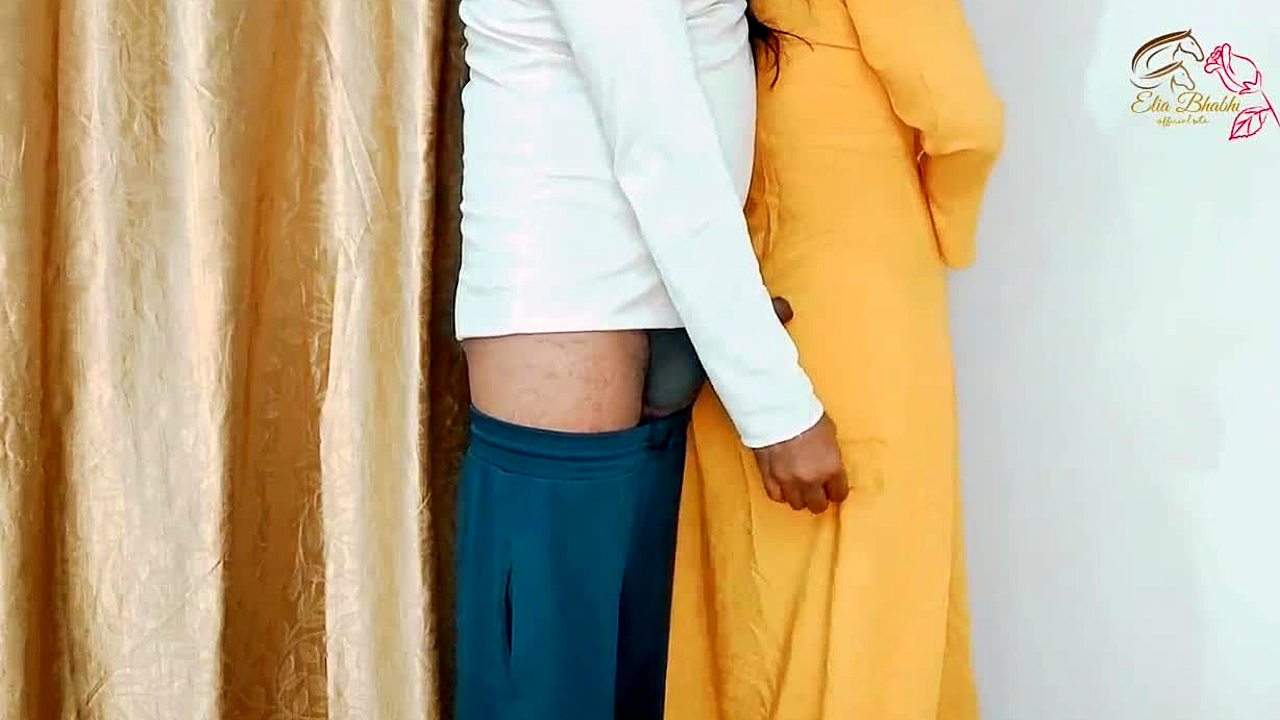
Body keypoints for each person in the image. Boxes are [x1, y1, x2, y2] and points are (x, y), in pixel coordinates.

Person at [451, 0, 848, 718]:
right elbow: (661, 147)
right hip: (567, 316)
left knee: (635, 689)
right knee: (549, 693)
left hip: (656, 321)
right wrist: (777, 407)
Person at [665, 1, 1005, 718]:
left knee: (750, 594)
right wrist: (944, 229)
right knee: (871, 590)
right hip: (863, 308)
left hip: (743, 308)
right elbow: (964, 119)